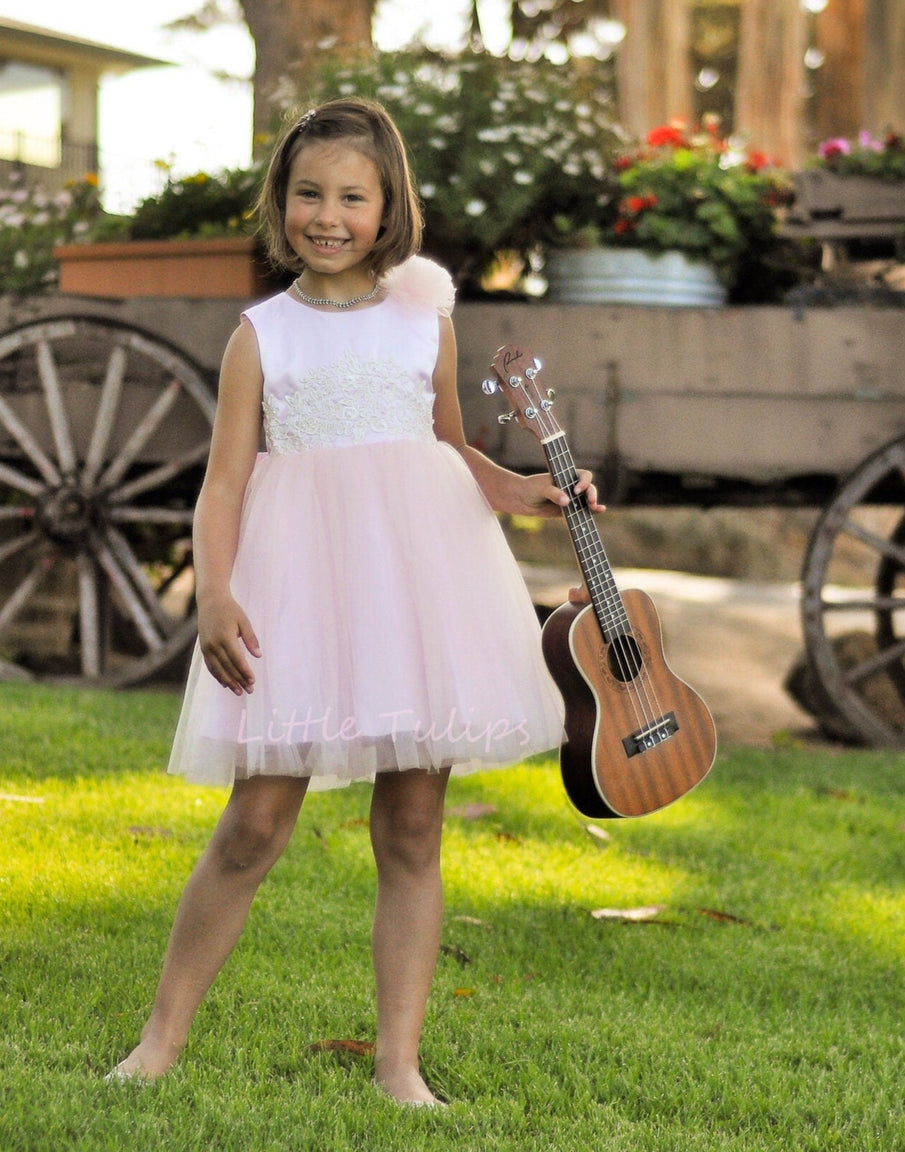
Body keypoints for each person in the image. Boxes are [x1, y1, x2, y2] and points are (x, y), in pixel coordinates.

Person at [109, 97, 601, 1104]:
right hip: (299, 590)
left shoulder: (426, 316)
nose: (325, 216)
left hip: (419, 586)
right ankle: (157, 1043)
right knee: (254, 823)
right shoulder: (263, 335)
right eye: (307, 194)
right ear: (280, 203)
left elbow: (446, 445)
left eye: (350, 197)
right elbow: (225, 484)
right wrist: (213, 594)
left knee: (413, 824)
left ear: (387, 210)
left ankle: (398, 1065)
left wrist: (521, 489)